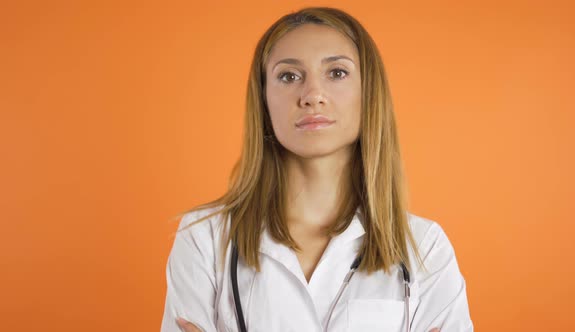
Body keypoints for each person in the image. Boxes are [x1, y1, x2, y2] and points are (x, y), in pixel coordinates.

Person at [160, 6, 473, 332]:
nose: (312, 95)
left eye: (337, 72)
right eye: (289, 76)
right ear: (264, 101)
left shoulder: (425, 247)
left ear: (369, 94)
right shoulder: (204, 239)